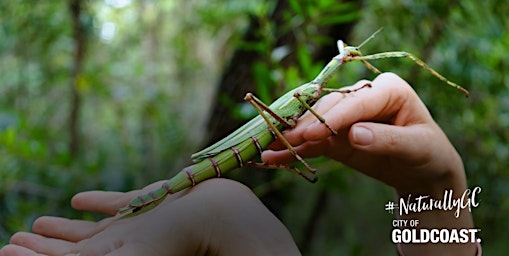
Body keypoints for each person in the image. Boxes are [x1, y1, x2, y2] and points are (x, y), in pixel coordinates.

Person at [0, 73, 479, 256]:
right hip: (221, 157)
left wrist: (435, 190)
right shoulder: (306, 100)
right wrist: (435, 193)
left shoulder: (317, 99)